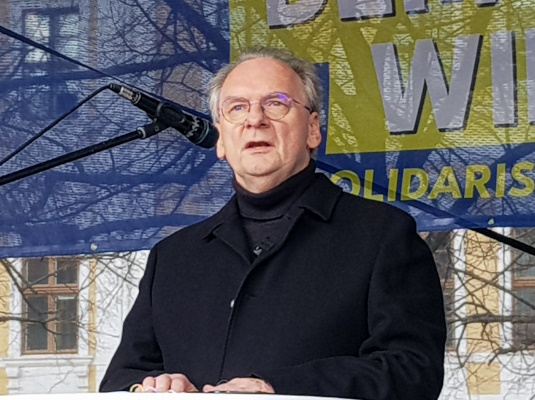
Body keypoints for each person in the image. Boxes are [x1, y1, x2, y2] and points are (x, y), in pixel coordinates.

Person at [99, 47, 447, 399]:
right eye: (237, 108)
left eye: (276, 103)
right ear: (221, 138)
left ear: (313, 129)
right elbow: (122, 378)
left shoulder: (383, 235)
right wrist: (153, 387)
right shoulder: (172, 258)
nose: (255, 120)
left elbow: (413, 371)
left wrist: (279, 389)